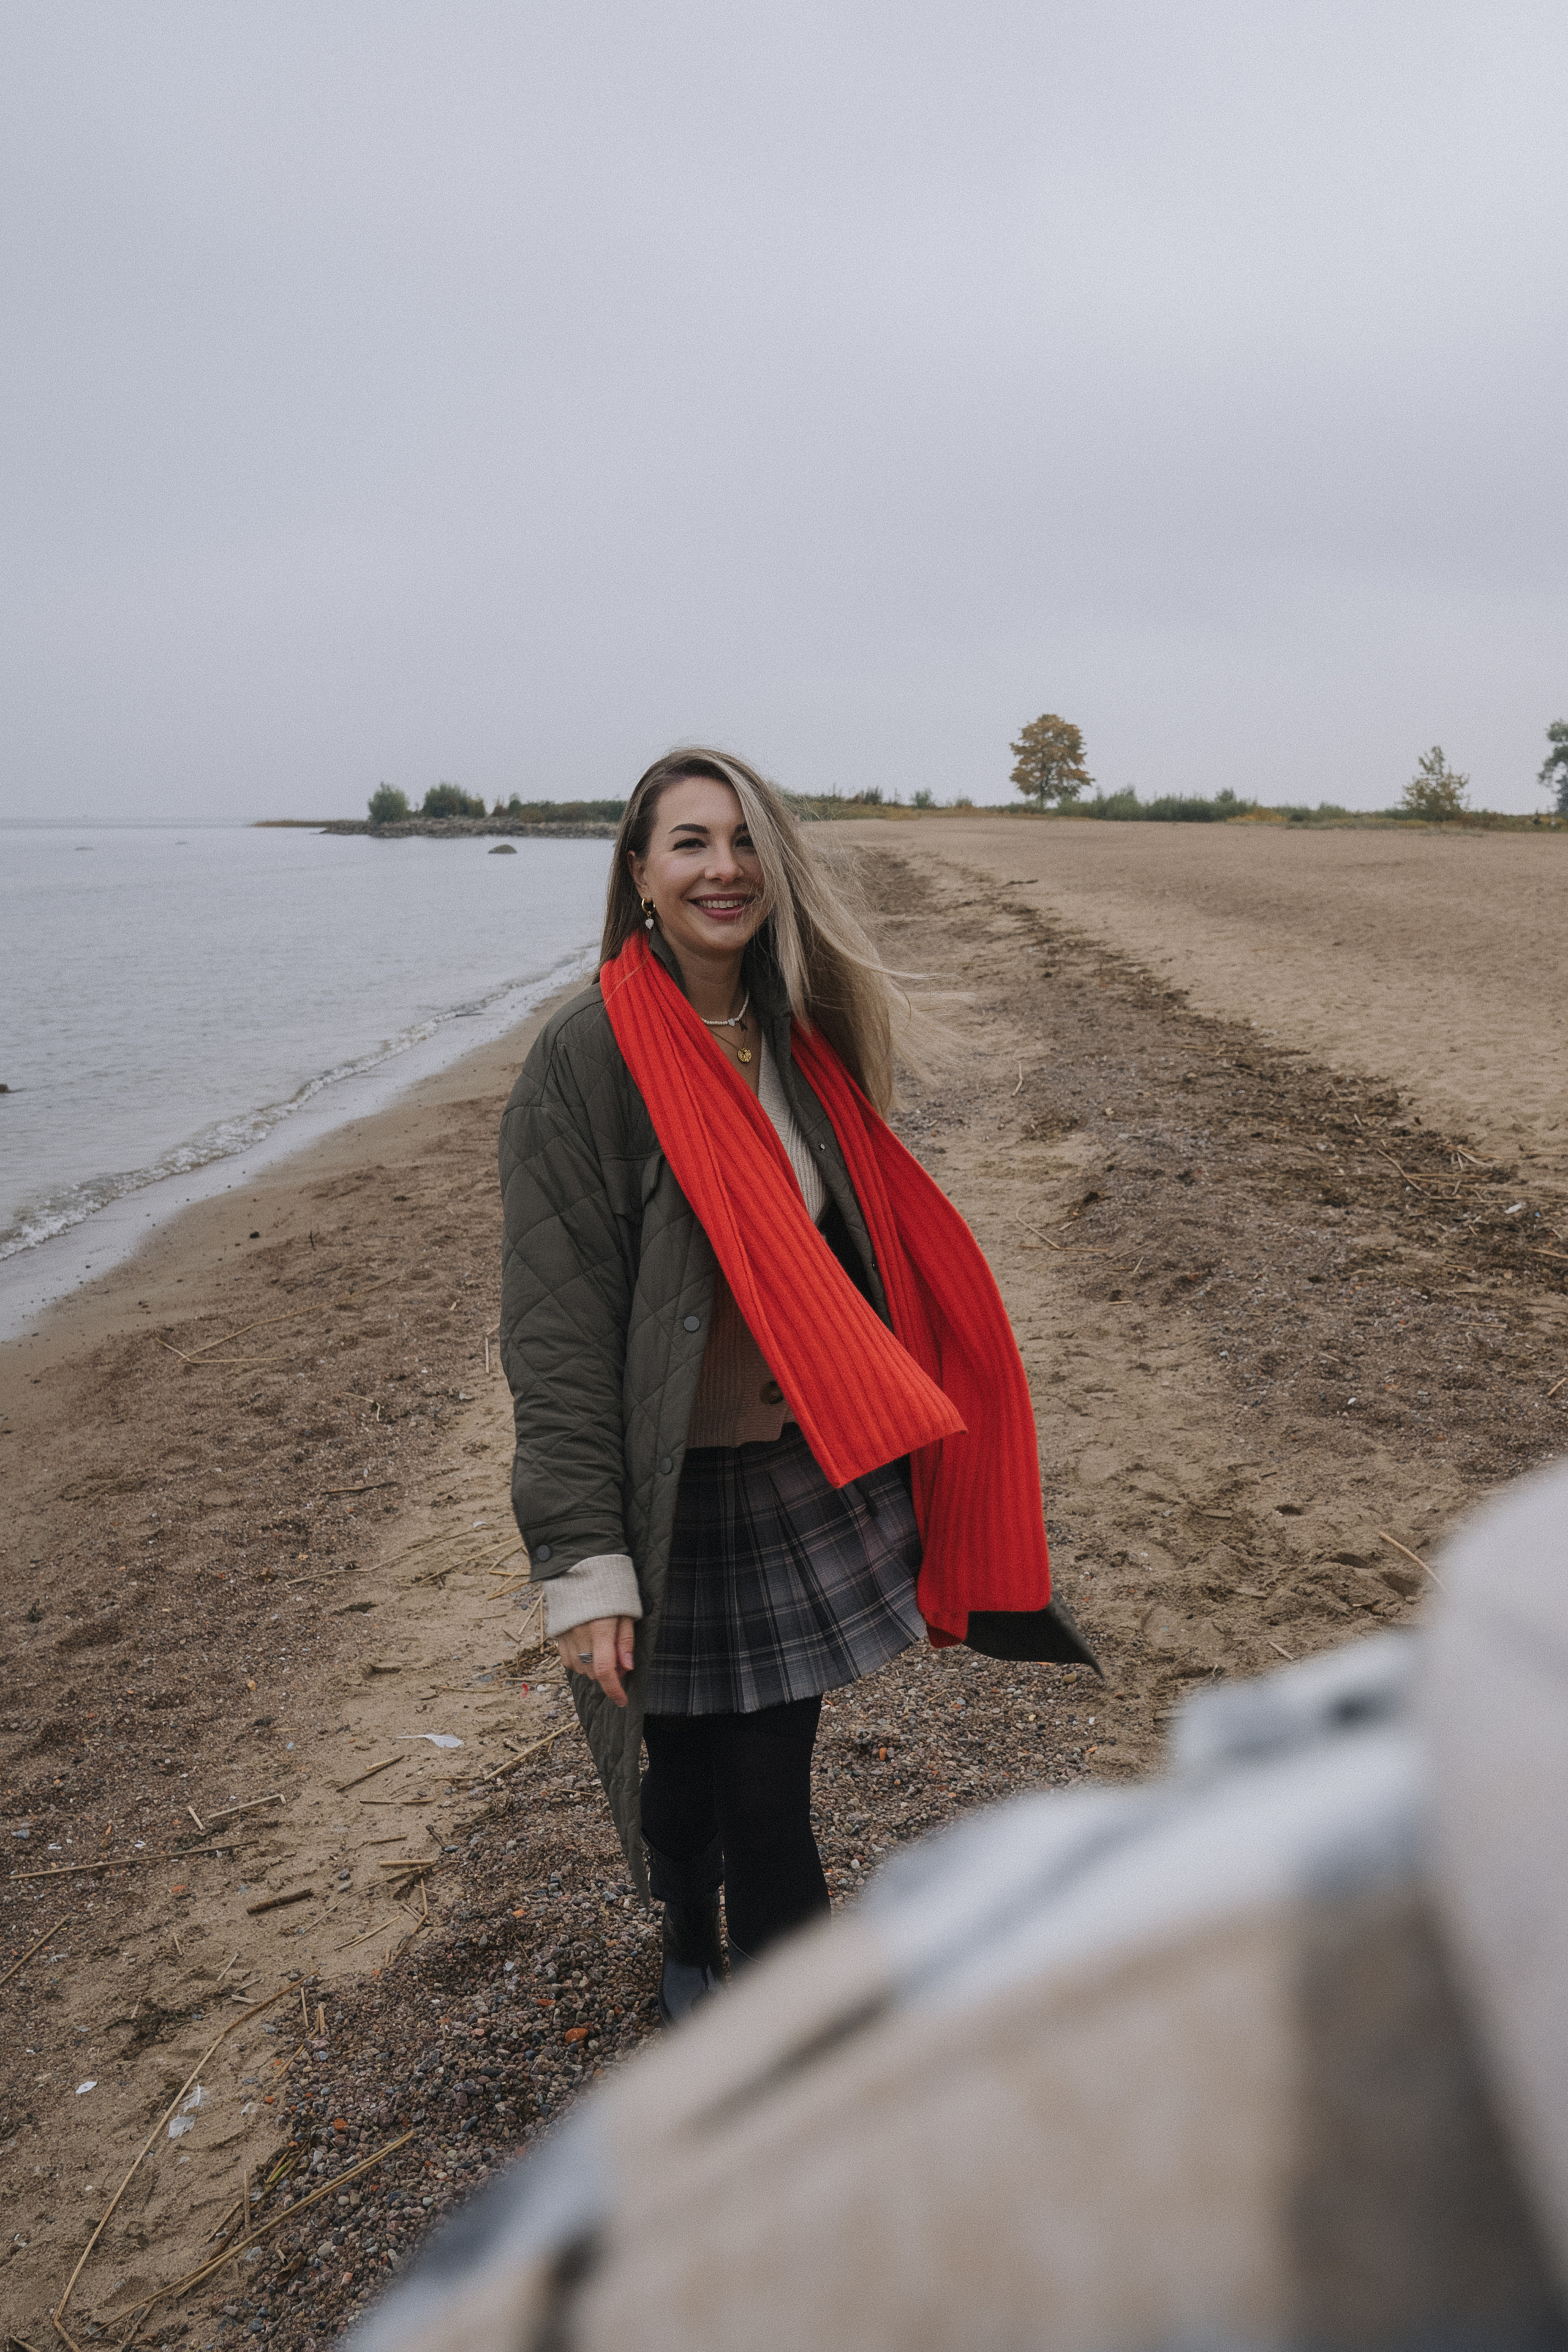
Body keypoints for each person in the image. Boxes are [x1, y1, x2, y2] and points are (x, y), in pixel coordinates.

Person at [499, 749, 1092, 2023]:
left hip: (791, 1475)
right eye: (690, 844)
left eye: (743, 842)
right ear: (639, 874)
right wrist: (583, 1566)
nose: (724, 869)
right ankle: (682, 1923)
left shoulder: (799, 1038)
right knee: (679, 1782)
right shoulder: (583, 1060)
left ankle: (783, 2039)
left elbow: (849, 1254)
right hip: (659, 1497)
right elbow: (554, 1334)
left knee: (772, 1791)